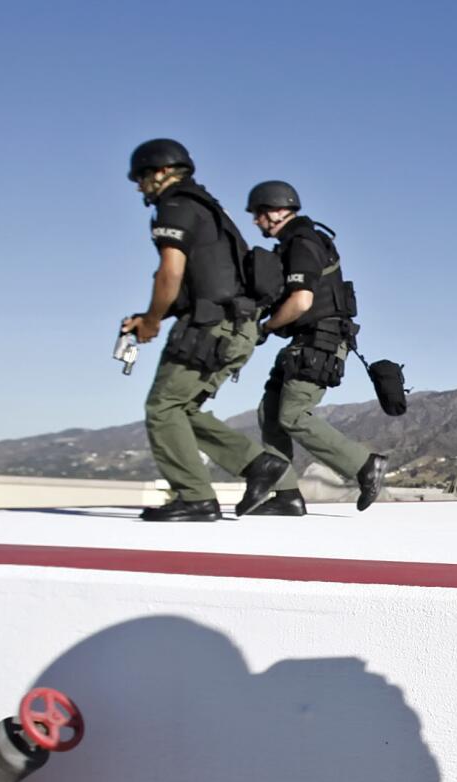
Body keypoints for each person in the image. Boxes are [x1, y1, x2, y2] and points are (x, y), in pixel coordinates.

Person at [121, 139, 289, 521]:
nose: (139, 186)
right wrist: (151, 316)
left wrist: (150, 321)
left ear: (161, 172)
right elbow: (203, 284)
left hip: (211, 329)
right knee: (182, 407)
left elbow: (171, 272)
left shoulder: (176, 205)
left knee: (162, 407)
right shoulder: (208, 210)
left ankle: (195, 496)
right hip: (237, 328)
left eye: (142, 176)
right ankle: (258, 465)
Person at [243, 181, 386, 515]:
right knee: (270, 412)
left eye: (259, 213)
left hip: (321, 340)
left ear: (278, 211)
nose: (255, 221)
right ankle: (286, 495)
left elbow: (302, 300)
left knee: (292, 414)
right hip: (306, 341)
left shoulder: (303, 242)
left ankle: (365, 465)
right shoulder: (295, 242)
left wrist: (266, 327)